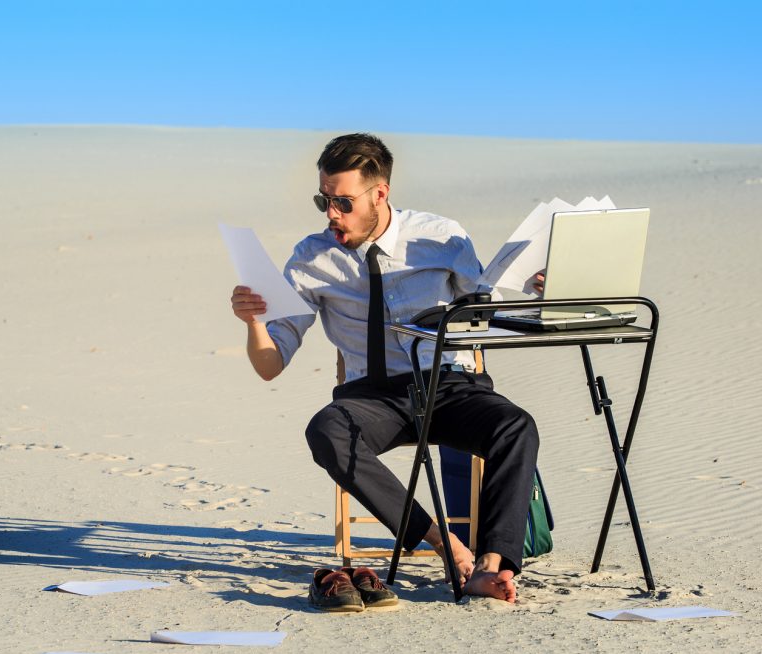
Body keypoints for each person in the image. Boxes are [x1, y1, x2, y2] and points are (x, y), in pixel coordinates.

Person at [229, 133, 539, 603]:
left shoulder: (441, 237)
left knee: (516, 426)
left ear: (380, 194)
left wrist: (533, 287)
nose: (332, 213)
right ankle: (446, 544)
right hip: (373, 399)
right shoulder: (311, 258)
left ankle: (491, 567)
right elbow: (270, 365)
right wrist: (253, 323)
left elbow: (483, 303)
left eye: (343, 202)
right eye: (324, 200)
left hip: (449, 384)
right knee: (326, 432)